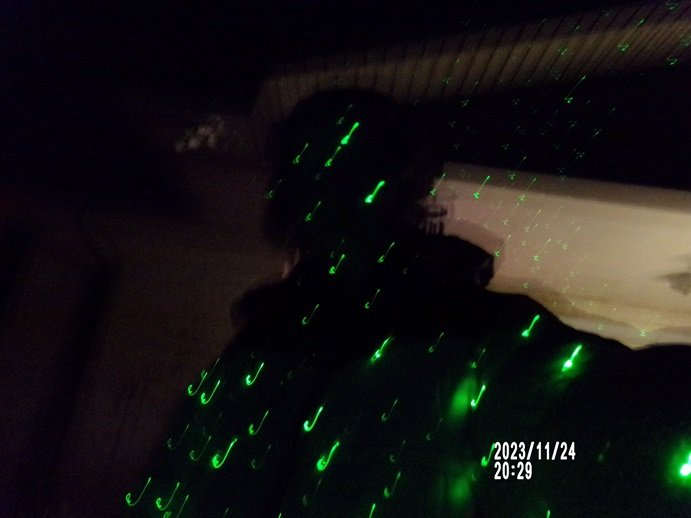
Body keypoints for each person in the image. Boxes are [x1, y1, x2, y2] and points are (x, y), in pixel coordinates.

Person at [123, 90, 690, 517]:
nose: (332, 204)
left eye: (348, 177)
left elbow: (567, 443)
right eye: (315, 178)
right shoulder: (251, 367)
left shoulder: (469, 340)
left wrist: (507, 459)